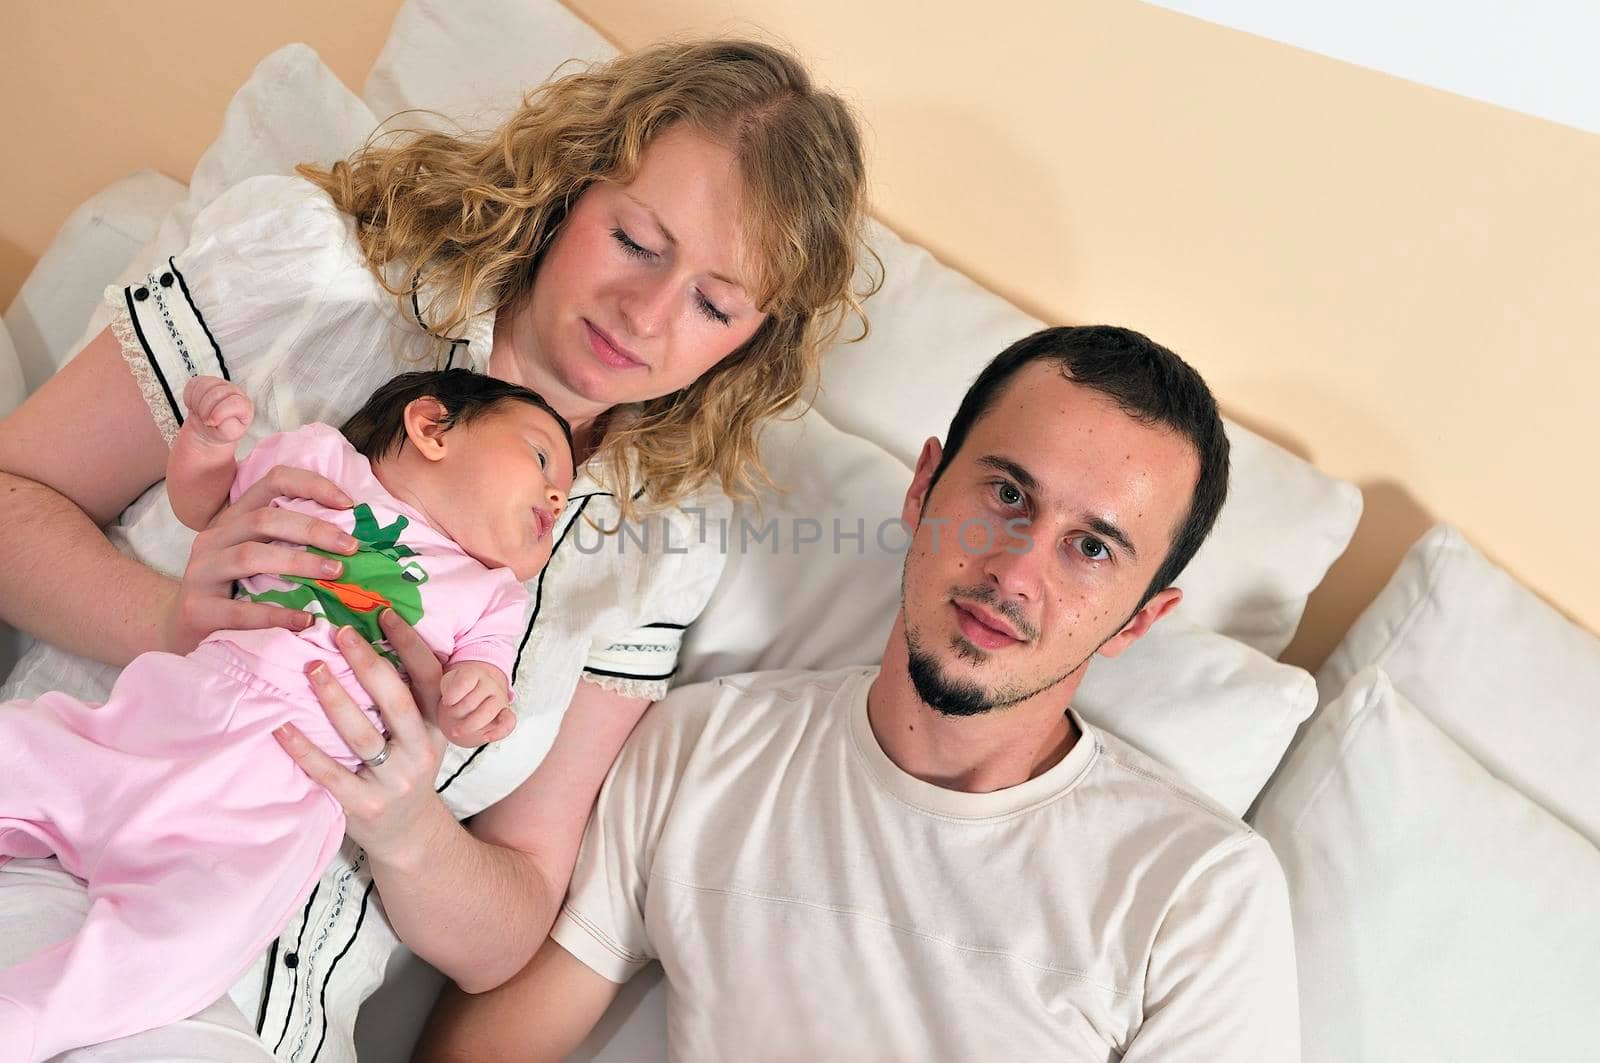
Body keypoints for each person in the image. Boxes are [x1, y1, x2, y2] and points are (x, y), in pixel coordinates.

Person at [0, 38, 871, 1062]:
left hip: (245, 1011)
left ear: (751, 343)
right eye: (637, 241)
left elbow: (510, 926)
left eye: (715, 304)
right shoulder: (315, 279)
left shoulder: (651, 546)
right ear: (571, 186)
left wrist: (407, 820)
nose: (645, 317)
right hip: (50, 836)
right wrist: (167, 618)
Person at [417, 326, 1302, 1062]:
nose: (1015, 571)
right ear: (924, 486)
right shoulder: (706, 745)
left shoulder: (1197, 891)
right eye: (1005, 493)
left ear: (1143, 618)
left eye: (1093, 548)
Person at [0, 369, 575, 1062]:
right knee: (25, 752)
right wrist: (209, 448)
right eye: (542, 458)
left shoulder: (493, 597)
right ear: (432, 427)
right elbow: (209, 506)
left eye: (564, 497)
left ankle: (28, 1017)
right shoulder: (324, 463)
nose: (554, 493)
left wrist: (478, 700)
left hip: (276, 795)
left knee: (188, 943)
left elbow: (476, 681)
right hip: (168, 713)